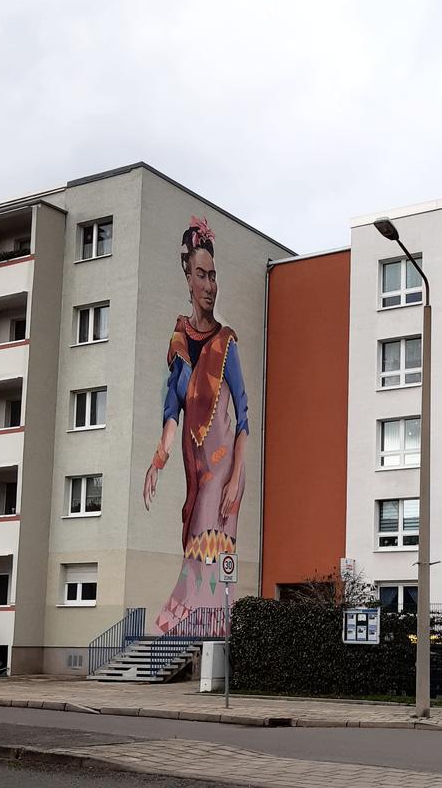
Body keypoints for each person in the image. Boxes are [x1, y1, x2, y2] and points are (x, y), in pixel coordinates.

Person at [143, 216, 249, 634]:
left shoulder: (227, 343)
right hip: (195, 464)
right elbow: (171, 412)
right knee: (196, 533)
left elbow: (244, 415)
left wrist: (237, 477)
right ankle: (205, 623)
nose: (209, 285)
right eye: (201, 275)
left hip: (224, 463)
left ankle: (196, 623)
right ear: (188, 278)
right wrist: (158, 460)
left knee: (210, 531)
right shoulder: (178, 343)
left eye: (214, 276)